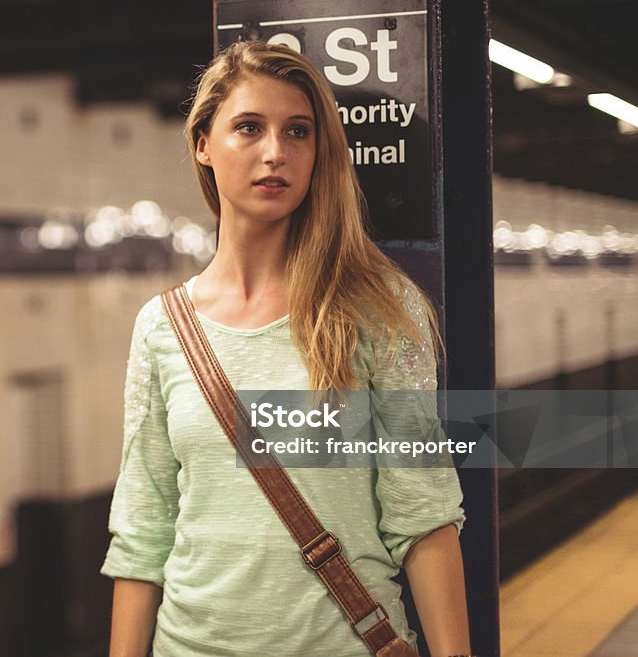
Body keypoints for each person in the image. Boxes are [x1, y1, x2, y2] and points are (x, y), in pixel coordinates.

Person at [100, 41, 472, 656]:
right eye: (249, 127)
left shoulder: (379, 310)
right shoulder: (162, 327)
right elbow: (144, 529)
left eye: (297, 131)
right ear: (203, 144)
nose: (276, 152)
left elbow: (423, 511)